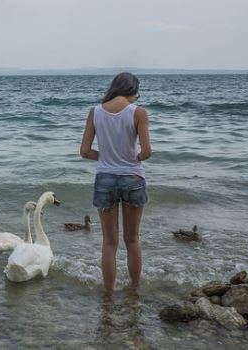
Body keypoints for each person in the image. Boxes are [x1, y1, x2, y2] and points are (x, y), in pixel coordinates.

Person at [80, 72, 152, 295]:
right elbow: (147, 152)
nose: (136, 99)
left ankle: (109, 294)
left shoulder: (95, 112)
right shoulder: (138, 113)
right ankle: (135, 290)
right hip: (133, 178)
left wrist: (105, 157)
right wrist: (133, 158)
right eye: (136, 94)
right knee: (132, 239)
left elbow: (84, 152)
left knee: (109, 243)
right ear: (132, 91)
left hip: (105, 179)